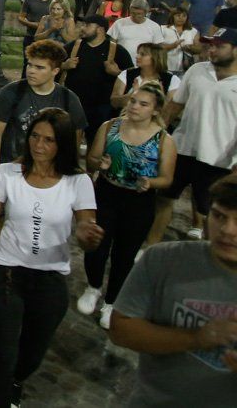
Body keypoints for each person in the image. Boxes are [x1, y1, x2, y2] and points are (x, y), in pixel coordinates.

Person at [0, 108, 103, 408]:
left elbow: (86, 229)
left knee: (32, 354)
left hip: (50, 278)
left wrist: (87, 236)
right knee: (4, 354)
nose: (39, 145)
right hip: (7, 275)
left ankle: (17, 380)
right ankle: (1, 396)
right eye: (34, 136)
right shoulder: (7, 173)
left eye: (49, 140)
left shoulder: (78, 182)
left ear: (63, 145)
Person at [109, 175, 237, 405]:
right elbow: (121, 329)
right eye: (219, 216)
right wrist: (197, 338)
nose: (227, 230)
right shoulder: (163, 259)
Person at [79, 84, 177, 330]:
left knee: (124, 254)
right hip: (106, 193)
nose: (134, 107)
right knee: (96, 246)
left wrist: (151, 182)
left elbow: (167, 178)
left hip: (138, 202)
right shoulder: (109, 127)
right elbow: (90, 159)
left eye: (143, 104)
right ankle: (93, 287)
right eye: (133, 100)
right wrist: (98, 164)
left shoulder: (163, 140)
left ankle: (112, 302)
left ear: (155, 110)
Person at [147, 28, 237, 245]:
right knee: (164, 199)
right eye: (210, 45)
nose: (212, 50)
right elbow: (174, 107)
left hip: (218, 160)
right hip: (182, 149)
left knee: (211, 212)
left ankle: (208, 258)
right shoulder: (197, 70)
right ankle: (149, 250)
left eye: (219, 46)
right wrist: (155, 136)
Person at [0, 40, 88, 174]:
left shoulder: (69, 99)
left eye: (39, 67)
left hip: (50, 173)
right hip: (12, 170)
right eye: (30, 65)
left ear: (55, 71)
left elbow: (74, 143)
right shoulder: (11, 92)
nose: (31, 71)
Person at [61, 15, 132, 138]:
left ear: (100, 29)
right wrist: (64, 65)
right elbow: (52, 64)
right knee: (68, 141)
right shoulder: (74, 46)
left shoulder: (118, 51)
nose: (82, 28)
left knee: (96, 142)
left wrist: (117, 72)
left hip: (101, 109)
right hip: (73, 104)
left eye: (87, 25)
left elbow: (131, 77)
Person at [109, 42, 180, 112]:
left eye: (143, 54)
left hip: (155, 122)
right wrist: (132, 95)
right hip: (125, 119)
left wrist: (160, 98)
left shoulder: (172, 79)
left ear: (156, 57)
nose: (137, 56)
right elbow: (114, 102)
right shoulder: (126, 74)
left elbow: (171, 110)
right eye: (138, 53)